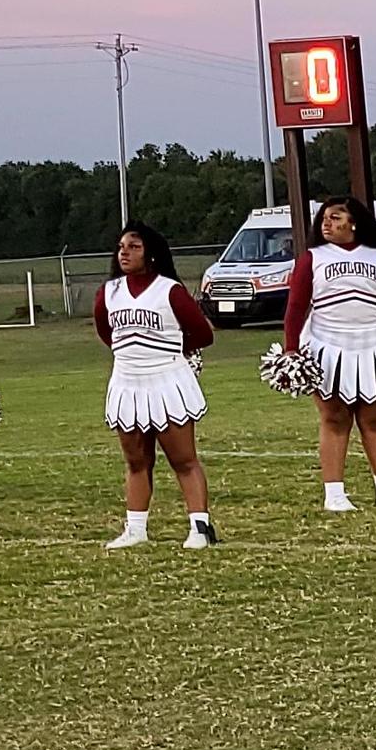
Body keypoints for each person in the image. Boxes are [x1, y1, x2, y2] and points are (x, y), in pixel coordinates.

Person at [283, 197, 376, 512]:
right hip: (327, 345)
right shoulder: (312, 258)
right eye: (324, 218)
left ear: (354, 223)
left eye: (335, 217)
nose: (326, 223)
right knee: (335, 418)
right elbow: (296, 307)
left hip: (375, 342)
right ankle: (335, 494)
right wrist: (291, 349)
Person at [95, 222, 217, 549]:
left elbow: (203, 334)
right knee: (136, 461)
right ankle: (135, 528)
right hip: (127, 383)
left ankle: (200, 527)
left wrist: (168, 350)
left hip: (166, 380)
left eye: (134, 246)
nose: (124, 252)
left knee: (183, 459)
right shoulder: (109, 292)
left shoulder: (169, 290)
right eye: (121, 246)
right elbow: (106, 333)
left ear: (151, 252)